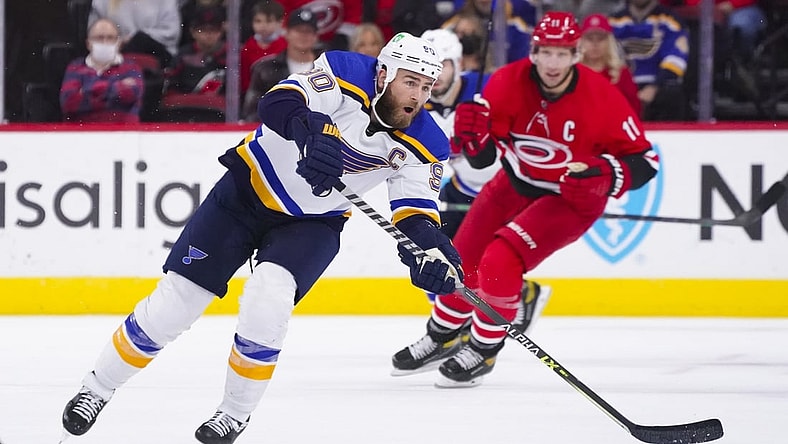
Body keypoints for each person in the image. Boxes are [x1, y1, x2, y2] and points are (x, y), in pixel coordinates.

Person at [60, 31, 461, 444]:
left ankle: (233, 414)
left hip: (313, 222)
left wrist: (429, 249)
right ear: (383, 74)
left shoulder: (428, 141)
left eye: (426, 86)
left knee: (270, 298)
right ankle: (97, 388)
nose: (418, 95)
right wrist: (310, 130)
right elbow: (277, 102)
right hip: (245, 192)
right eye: (410, 82)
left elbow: (414, 213)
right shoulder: (345, 71)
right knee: (178, 302)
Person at [393, 12, 659, 388]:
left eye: (561, 53)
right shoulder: (507, 82)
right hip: (514, 181)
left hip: (570, 198)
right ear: (534, 52)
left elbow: (646, 163)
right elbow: (484, 159)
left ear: (576, 54)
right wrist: (476, 141)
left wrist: (605, 174)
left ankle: (484, 348)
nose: (553, 63)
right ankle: (442, 336)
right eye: (546, 52)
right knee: (462, 258)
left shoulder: (601, 97)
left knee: (499, 260)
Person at [418, 27, 551, 341]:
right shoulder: (416, 106)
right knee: (432, 260)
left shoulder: (488, 90)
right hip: (462, 191)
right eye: (427, 67)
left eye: (442, 65)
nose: (435, 74)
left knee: (490, 265)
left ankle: (523, 294)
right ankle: (456, 325)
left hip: (506, 191)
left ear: (458, 63)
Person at [609, 0, 690, 120]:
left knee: (672, 94)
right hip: (622, 87)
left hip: (658, 87)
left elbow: (676, 59)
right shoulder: (613, 21)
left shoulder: (670, 20)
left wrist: (654, 87)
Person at [241, 7, 320, 122]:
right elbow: (252, 112)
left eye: (308, 31)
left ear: (316, 36)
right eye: (298, 30)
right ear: (287, 33)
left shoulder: (328, 68)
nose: (303, 35)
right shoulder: (265, 68)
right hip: (275, 130)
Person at [60, 18, 144, 123]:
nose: (105, 42)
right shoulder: (75, 67)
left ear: (119, 43)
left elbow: (132, 94)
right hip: (82, 131)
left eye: (110, 38)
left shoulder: (132, 67)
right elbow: (68, 103)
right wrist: (117, 87)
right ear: (88, 44)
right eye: (99, 38)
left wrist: (86, 91)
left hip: (121, 131)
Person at [89, 0, 182, 69]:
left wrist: (131, 38)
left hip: (157, 52)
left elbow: (171, 32)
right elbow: (94, 32)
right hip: (115, 49)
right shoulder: (102, 2)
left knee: (140, 40)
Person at [579, 13, 641, 115]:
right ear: (581, 41)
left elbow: (634, 109)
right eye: (590, 39)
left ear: (609, 42)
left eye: (600, 39)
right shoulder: (572, 73)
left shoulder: (622, 73)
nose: (595, 44)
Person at [166, 5, 228, 95]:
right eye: (202, 30)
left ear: (221, 32)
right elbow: (171, 86)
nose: (209, 35)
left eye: (214, 30)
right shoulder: (184, 55)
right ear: (193, 32)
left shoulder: (231, 54)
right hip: (187, 100)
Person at [240, 1, 288, 95]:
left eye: (269, 21)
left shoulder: (285, 45)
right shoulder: (248, 46)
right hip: (255, 95)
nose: (263, 25)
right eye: (258, 21)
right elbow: (244, 79)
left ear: (280, 22)